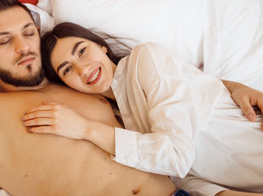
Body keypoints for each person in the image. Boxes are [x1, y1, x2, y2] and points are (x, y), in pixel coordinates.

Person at [0, 0, 178, 196]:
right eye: (6, 40)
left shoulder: (80, 80)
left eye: (28, 33)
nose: (23, 48)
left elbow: (171, 130)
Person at [23, 22, 263, 195]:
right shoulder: (118, 120)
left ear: (101, 46)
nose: (83, 69)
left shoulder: (145, 58)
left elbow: (176, 157)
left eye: (83, 51)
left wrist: (85, 129)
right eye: (67, 70)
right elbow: (180, 178)